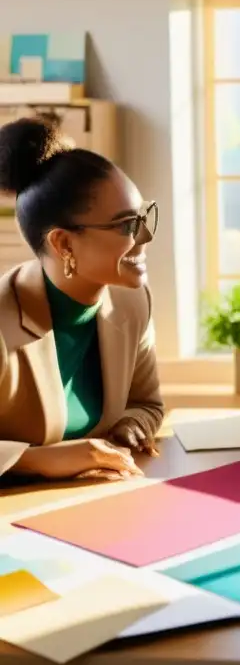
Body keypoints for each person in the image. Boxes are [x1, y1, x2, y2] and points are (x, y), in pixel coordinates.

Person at [0, 116, 163, 482]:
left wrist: (130, 426)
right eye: (127, 225)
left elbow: (145, 403)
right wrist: (39, 460)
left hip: (95, 499)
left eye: (144, 216)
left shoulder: (131, 303)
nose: (146, 237)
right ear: (63, 243)